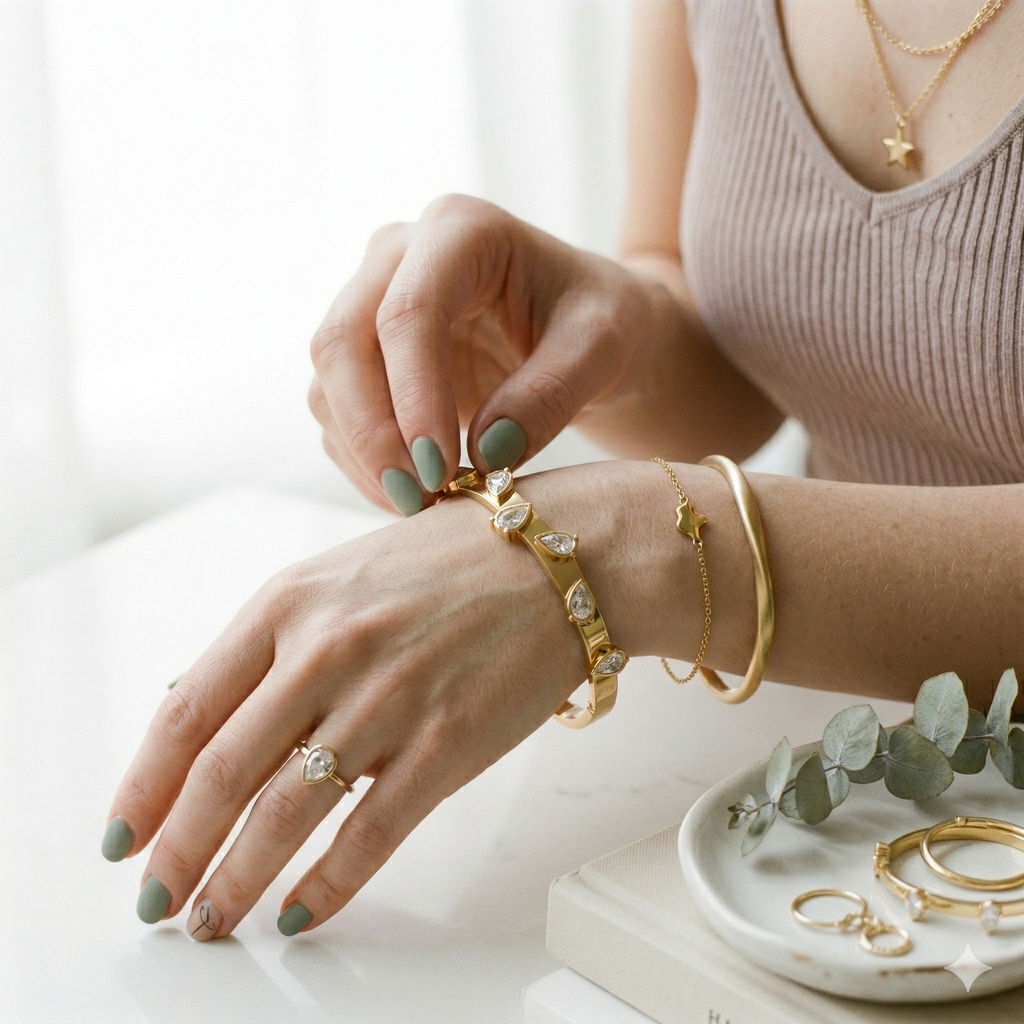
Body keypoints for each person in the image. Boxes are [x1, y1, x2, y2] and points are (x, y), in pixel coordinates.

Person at [102, 0, 1024, 942]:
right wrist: (605, 326)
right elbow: (749, 358)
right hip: (822, 774)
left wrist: (643, 550)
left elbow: (662, 535)